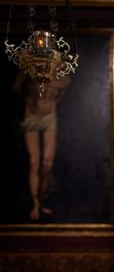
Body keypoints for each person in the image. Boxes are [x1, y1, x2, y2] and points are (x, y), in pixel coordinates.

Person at [13, 70, 71, 221]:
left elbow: (62, 89)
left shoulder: (62, 75)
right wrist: (29, 95)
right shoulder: (28, 69)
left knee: (47, 164)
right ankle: (35, 204)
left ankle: (41, 200)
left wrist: (50, 100)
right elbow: (16, 88)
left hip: (50, 117)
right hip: (31, 116)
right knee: (34, 162)